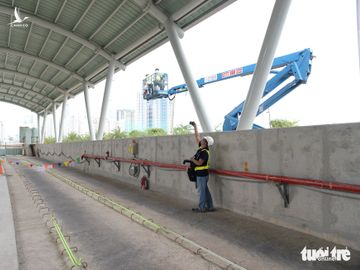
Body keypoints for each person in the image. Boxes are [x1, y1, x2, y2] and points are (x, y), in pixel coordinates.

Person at [189, 121, 215, 213]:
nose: (202, 139)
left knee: (202, 192)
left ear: (206, 143)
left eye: (204, 139)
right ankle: (210, 206)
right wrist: (195, 126)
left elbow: (199, 163)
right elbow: (197, 137)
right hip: (201, 174)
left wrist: (192, 160)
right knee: (205, 191)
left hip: (202, 175)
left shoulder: (204, 152)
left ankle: (202, 208)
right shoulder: (201, 149)